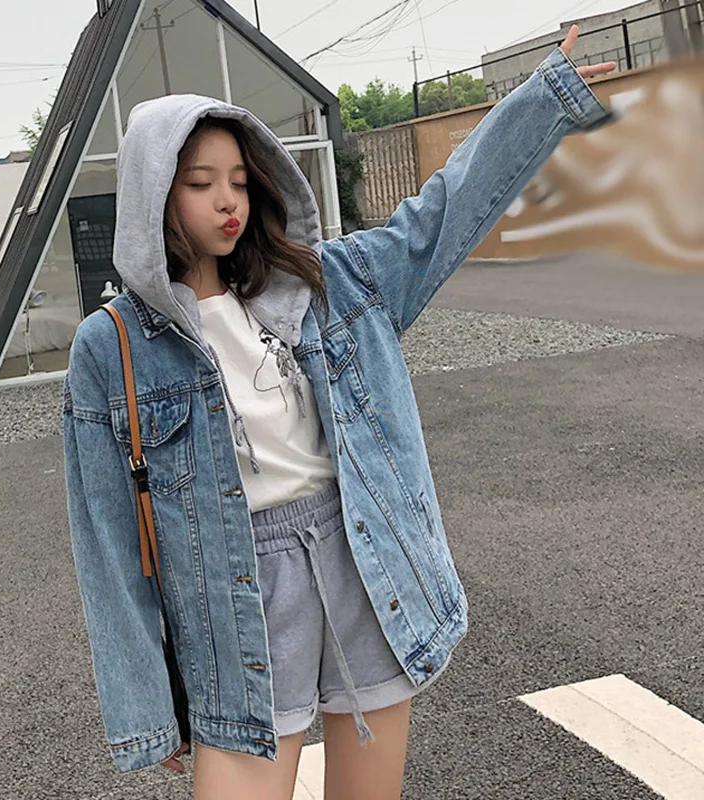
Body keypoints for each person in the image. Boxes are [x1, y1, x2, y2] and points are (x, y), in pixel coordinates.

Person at [63, 26, 615, 800]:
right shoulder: (112, 346)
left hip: (360, 559)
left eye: (238, 180)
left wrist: (542, 102)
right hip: (237, 601)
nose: (227, 200)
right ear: (154, 193)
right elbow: (108, 544)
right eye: (199, 182)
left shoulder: (329, 281)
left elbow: (438, 220)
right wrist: (149, 706)